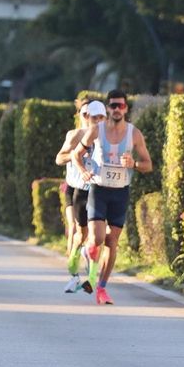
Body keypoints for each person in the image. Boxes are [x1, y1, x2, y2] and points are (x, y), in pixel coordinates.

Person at [71, 91, 152, 305]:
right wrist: (82, 171)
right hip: (99, 189)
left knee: (112, 242)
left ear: (126, 109)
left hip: (120, 192)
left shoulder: (134, 134)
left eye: (121, 106)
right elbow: (76, 154)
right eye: (113, 106)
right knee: (97, 238)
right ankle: (89, 255)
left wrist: (133, 164)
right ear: (108, 108)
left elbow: (148, 164)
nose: (117, 109)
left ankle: (102, 288)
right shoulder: (96, 131)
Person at [54, 97, 98, 294]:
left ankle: (88, 267)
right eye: (85, 113)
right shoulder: (74, 135)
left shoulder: (101, 136)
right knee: (73, 228)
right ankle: (72, 274)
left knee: (92, 234)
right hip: (74, 187)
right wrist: (75, 154)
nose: (88, 117)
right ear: (79, 115)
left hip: (94, 188)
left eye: (93, 114)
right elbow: (59, 158)